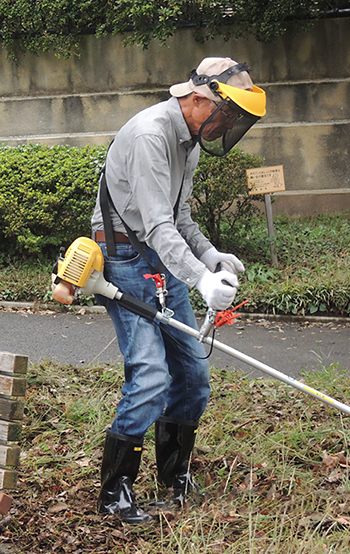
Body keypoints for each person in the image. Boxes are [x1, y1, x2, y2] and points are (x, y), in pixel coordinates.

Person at [90, 57, 266, 523]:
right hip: (124, 259)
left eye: (235, 120)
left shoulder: (188, 140)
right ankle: (116, 489)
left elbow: (180, 220)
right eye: (227, 115)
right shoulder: (152, 135)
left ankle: (174, 473)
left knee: (192, 376)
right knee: (149, 375)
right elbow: (156, 226)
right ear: (198, 99)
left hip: (162, 254)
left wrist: (211, 258)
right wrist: (201, 279)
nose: (229, 125)